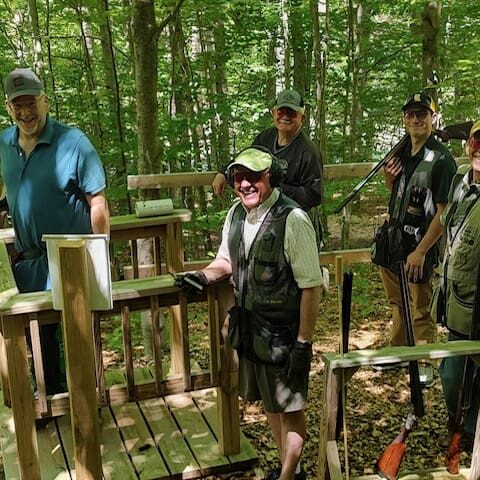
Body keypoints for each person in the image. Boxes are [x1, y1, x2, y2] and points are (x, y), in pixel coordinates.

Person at [180, 147, 322, 480]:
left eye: (253, 177)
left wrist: (303, 343)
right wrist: (202, 276)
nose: (244, 184)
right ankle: (291, 469)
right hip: (252, 331)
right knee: (271, 405)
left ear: (269, 177)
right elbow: (226, 263)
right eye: (238, 178)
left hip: (285, 334)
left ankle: (289, 476)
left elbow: (311, 287)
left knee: (291, 410)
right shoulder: (235, 215)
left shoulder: (294, 220)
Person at [0, 67, 109, 395]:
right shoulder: (4, 143)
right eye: (17, 105)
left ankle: (88, 406)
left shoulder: (73, 142)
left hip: (72, 260)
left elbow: (98, 203)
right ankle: (49, 402)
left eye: (31, 102)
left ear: (45, 101)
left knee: (78, 338)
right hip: (29, 263)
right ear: (8, 108)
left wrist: (101, 257)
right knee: (39, 340)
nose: (25, 112)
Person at [376, 91, 457, 387]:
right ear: (404, 119)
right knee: (397, 301)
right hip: (393, 240)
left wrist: (422, 251)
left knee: (419, 305)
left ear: (432, 118)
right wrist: (389, 177)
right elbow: (397, 192)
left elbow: (443, 212)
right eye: (410, 114)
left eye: (422, 114)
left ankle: (423, 361)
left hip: (419, 244)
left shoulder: (442, 160)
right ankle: (398, 353)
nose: (416, 119)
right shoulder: (401, 152)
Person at [212, 88, 324, 245]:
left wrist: (273, 189)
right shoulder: (266, 137)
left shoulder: (308, 151)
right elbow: (246, 159)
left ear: (302, 117)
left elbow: (314, 195)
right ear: (273, 113)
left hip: (297, 223)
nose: (285, 116)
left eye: (291, 112)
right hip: (268, 220)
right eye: (281, 111)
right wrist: (223, 172)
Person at [436, 120, 480, 451]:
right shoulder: (460, 182)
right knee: (452, 375)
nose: (479, 148)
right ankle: (463, 427)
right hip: (458, 302)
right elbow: (445, 222)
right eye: (477, 140)